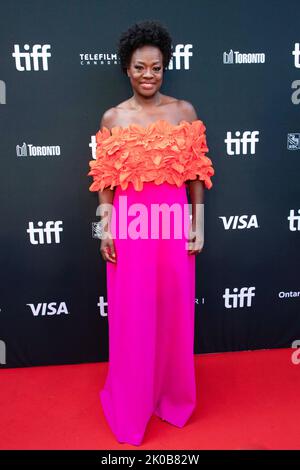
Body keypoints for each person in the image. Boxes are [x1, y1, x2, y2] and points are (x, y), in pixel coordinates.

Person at [87, 20, 215, 446]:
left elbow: (196, 173)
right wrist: (105, 231)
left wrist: (197, 223)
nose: (148, 75)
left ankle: (171, 397)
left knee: (174, 316)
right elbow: (105, 181)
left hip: (173, 225)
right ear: (127, 68)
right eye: (140, 67)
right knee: (132, 318)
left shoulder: (184, 112)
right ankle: (133, 400)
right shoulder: (113, 118)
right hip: (132, 228)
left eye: (156, 67)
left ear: (165, 68)